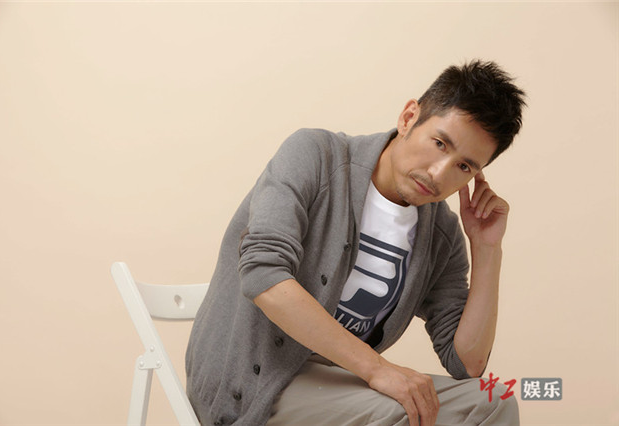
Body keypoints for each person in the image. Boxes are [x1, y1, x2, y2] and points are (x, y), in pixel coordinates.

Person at [185, 60, 526, 426]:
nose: (439, 173)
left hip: (339, 383)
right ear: (409, 117)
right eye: (440, 143)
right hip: (249, 380)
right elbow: (263, 275)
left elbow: (467, 362)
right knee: (403, 414)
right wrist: (377, 369)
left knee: (495, 401)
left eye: (465, 167)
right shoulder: (315, 155)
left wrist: (487, 249)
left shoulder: (441, 234)